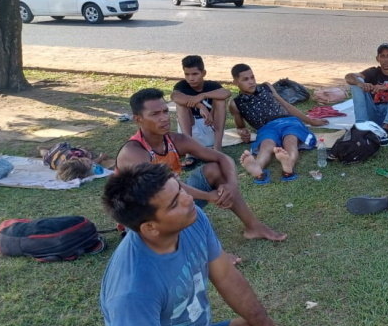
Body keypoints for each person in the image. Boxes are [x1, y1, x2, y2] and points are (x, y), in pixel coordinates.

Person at [100, 163, 290, 326]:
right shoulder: (132, 290)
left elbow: (228, 278)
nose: (189, 199)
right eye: (174, 204)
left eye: (180, 188)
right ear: (150, 228)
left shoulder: (194, 219)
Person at [117, 88, 286, 242]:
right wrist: (210, 196)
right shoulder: (134, 152)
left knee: (215, 169)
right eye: (155, 114)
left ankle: (253, 227)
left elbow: (223, 158)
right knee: (167, 199)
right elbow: (160, 187)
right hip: (144, 215)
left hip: (173, 199)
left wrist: (231, 186)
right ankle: (208, 254)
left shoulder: (176, 140)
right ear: (138, 119)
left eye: (165, 111)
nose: (163, 118)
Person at [229, 64, 328, 184]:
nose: (251, 82)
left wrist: (311, 121)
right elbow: (240, 127)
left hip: (288, 121)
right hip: (266, 128)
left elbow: (285, 105)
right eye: (245, 79)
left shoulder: (266, 87)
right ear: (235, 82)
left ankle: (288, 165)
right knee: (266, 145)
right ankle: (257, 168)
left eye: (252, 77)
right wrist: (242, 132)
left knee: (290, 140)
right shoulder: (236, 103)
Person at [345, 43, 388, 132]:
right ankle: (361, 125)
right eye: (382, 56)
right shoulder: (373, 71)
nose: (386, 60)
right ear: (378, 59)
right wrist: (362, 84)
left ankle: (387, 127)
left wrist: (387, 86)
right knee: (356, 82)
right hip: (373, 113)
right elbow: (349, 76)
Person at [170, 55, 231, 157]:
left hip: (210, 127)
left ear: (203, 73)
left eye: (195, 74)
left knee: (220, 101)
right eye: (187, 74)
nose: (191, 78)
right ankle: (189, 152)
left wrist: (203, 95)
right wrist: (200, 106)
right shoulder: (182, 86)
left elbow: (226, 93)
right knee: (181, 105)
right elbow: (175, 97)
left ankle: (217, 148)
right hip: (190, 133)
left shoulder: (212, 86)